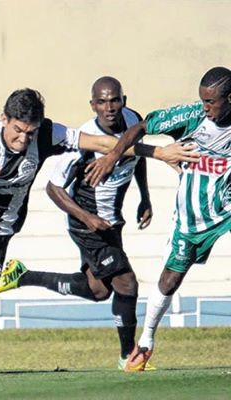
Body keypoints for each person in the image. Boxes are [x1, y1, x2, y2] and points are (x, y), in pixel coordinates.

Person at [0, 88, 198, 376]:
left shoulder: (49, 133)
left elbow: (103, 144)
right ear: (4, 119)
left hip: (2, 232)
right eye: (17, 130)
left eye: (30, 132)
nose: (23, 139)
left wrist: (157, 153)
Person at [0, 77, 158, 370]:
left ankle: (23, 276)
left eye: (115, 100)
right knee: (126, 283)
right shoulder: (85, 139)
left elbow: (137, 156)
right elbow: (53, 189)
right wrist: (88, 218)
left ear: (124, 100)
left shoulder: (134, 121)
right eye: (102, 102)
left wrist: (145, 197)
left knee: (98, 290)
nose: (109, 108)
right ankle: (128, 358)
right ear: (92, 105)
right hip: (87, 222)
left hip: (111, 222)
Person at [84, 66, 231, 371]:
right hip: (193, 215)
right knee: (170, 278)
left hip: (227, 205)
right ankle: (147, 342)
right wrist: (113, 157)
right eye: (202, 101)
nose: (205, 108)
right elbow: (141, 125)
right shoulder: (192, 116)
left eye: (211, 103)